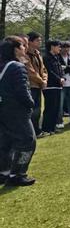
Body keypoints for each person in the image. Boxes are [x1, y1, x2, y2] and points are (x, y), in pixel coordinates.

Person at [0, 36, 37, 186]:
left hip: (3, 109)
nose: (24, 49)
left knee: (6, 142)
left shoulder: (2, 65)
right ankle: (18, 174)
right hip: (16, 111)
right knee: (28, 141)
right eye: (22, 46)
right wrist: (31, 103)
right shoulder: (16, 67)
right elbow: (22, 91)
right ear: (15, 50)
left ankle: (4, 172)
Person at [25, 32, 47, 136]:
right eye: (37, 40)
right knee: (32, 110)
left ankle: (37, 130)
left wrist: (44, 80)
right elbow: (31, 72)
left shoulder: (38, 53)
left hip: (38, 85)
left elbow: (43, 69)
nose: (40, 42)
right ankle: (32, 132)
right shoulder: (25, 54)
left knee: (38, 110)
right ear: (30, 41)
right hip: (31, 86)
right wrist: (42, 81)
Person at [42, 40, 65, 134]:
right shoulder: (46, 58)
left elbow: (61, 69)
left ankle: (53, 127)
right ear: (52, 46)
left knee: (56, 108)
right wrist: (59, 79)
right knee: (50, 108)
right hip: (50, 86)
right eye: (58, 46)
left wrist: (62, 78)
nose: (60, 48)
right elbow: (49, 71)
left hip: (58, 85)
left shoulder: (57, 57)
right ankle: (46, 128)